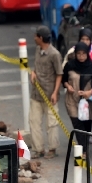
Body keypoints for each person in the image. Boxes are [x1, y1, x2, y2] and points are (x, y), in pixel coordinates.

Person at [30, 26, 63, 159]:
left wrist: (55, 92)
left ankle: (52, 149)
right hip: (36, 94)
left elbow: (59, 74)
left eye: (36, 36)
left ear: (41, 38)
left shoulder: (54, 54)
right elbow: (36, 66)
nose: (34, 38)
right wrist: (33, 73)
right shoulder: (38, 50)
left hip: (49, 95)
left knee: (52, 123)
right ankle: (38, 149)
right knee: (34, 121)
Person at [63, 42, 92, 151]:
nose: (81, 56)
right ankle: (82, 149)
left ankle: (84, 146)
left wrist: (90, 92)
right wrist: (68, 86)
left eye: (84, 54)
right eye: (79, 54)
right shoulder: (70, 65)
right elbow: (63, 80)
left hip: (88, 101)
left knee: (87, 125)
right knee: (77, 124)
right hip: (72, 100)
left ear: (87, 54)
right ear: (75, 54)